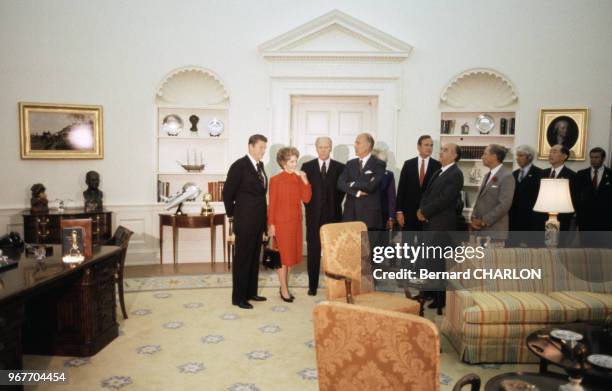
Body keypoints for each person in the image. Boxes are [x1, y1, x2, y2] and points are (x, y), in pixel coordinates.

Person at [222, 134, 269, 309]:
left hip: (258, 220)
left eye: (264, 148)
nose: (263, 151)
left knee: (254, 256)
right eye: (260, 147)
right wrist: (233, 215)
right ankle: (239, 297)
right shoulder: (239, 166)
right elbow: (227, 193)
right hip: (244, 219)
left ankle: (251, 292)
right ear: (250, 146)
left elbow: (260, 195)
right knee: (242, 258)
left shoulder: (260, 165)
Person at [417, 143, 463, 314]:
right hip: (430, 223)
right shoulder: (439, 171)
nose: (440, 152)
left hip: (442, 225)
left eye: (445, 150)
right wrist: (421, 209)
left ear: (454, 156)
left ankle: (440, 300)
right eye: (441, 150)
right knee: (429, 263)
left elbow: (446, 199)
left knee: (438, 265)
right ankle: (428, 294)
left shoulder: (456, 173)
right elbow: (427, 194)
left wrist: (425, 211)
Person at [301, 137, 345, 296]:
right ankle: (312, 286)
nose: (324, 150)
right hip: (313, 217)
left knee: (333, 253)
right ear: (316, 148)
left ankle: (333, 286)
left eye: (326, 147)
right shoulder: (307, 166)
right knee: (313, 251)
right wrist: (312, 208)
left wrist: (332, 206)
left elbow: (341, 193)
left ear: (331, 148)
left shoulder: (341, 167)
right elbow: (304, 192)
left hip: (333, 216)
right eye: (321, 147)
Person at [268, 147, 312, 302]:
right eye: (291, 161)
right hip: (281, 224)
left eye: (295, 161)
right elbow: (271, 204)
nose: (295, 164)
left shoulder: (298, 178)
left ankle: (283, 285)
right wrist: (271, 224)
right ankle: (284, 289)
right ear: (283, 162)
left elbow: (306, 199)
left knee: (291, 257)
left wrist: (305, 180)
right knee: (283, 258)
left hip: (295, 223)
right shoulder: (275, 180)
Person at [338, 133, 385, 230]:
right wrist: (357, 192)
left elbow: (371, 186)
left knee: (366, 245)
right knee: (349, 244)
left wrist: (352, 183)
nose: (355, 145)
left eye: (358, 143)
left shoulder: (379, 164)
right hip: (350, 215)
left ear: (368, 145)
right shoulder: (350, 163)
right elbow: (340, 184)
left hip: (369, 216)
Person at [470, 144, 515, 244]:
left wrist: (483, 221)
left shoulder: (507, 176)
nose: (482, 157)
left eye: (485, 154)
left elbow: (504, 205)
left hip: (494, 232)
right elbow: (480, 200)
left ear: (494, 156)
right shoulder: (487, 175)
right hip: (480, 231)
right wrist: (473, 218)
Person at [396, 135, 441, 231]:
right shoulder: (408, 164)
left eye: (431, 145)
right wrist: (399, 211)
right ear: (418, 146)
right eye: (426, 145)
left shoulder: (438, 166)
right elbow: (401, 189)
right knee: (408, 244)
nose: (429, 148)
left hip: (427, 213)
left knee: (425, 244)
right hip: (408, 212)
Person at [539, 144, 577, 231]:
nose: (550, 154)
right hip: (541, 217)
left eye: (554, 152)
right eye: (550, 152)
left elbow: (574, 198)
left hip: (562, 218)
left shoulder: (572, 176)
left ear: (564, 156)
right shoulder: (542, 173)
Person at [576, 147, 612, 231]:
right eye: (591, 157)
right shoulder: (581, 174)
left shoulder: (610, 174)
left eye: (596, 157)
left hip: (605, 219)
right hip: (585, 218)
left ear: (603, 158)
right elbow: (577, 195)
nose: (593, 160)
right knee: (585, 243)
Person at [509, 145, 543, 232]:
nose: (517, 158)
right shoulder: (514, 174)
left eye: (520, 155)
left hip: (531, 219)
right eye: (517, 156)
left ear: (529, 157)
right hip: (514, 218)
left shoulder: (540, 173)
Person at [372, 149, 397, 230]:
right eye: (382, 162)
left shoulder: (388, 175)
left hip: (383, 216)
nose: (384, 164)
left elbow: (391, 197)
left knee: (381, 240)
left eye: (385, 162)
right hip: (364, 216)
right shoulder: (363, 173)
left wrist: (391, 217)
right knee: (365, 242)